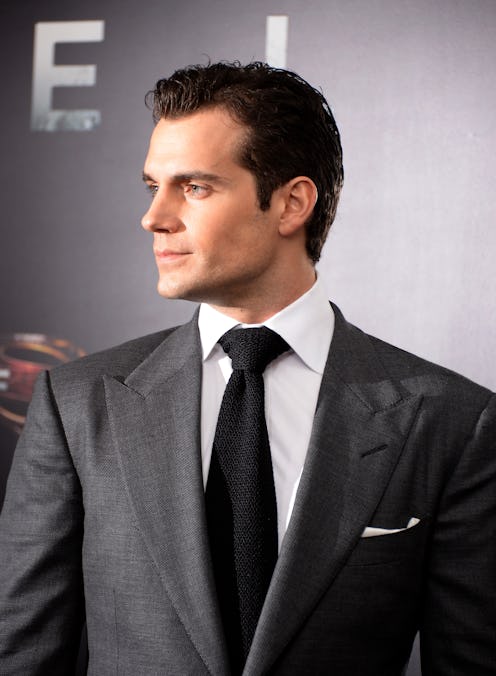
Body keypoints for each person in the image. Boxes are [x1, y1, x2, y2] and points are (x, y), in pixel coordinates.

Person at [0, 61, 494, 676]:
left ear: (291, 203)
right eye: (153, 186)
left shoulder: (451, 421)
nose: (154, 217)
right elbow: (22, 653)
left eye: (194, 187)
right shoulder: (75, 404)